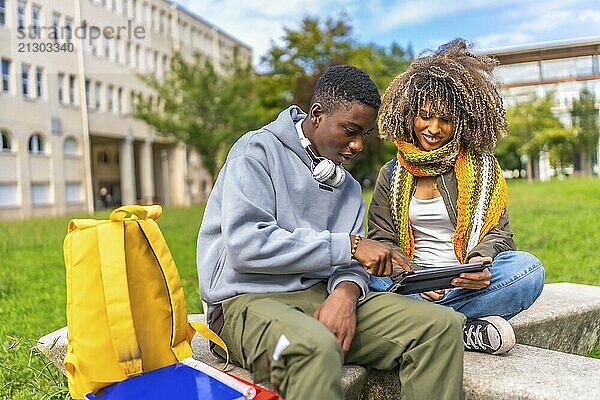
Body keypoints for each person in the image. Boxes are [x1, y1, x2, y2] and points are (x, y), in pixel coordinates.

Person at [197, 64, 465, 399]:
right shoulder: (256, 152)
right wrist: (350, 245)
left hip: (320, 294)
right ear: (318, 115)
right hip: (245, 301)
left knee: (440, 326)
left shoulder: (349, 188)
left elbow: (350, 265)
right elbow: (246, 245)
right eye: (350, 131)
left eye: (363, 136)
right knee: (315, 347)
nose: (357, 146)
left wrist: (346, 294)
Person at [369, 39, 545, 355]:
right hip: (411, 283)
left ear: (461, 121)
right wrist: (414, 278)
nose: (433, 128)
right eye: (425, 116)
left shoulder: (483, 168)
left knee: (529, 270)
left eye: (445, 119)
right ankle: (461, 327)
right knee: (370, 279)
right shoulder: (390, 173)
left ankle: (430, 325)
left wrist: (479, 261)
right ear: (409, 114)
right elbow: (381, 242)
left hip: (464, 280)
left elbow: (500, 236)